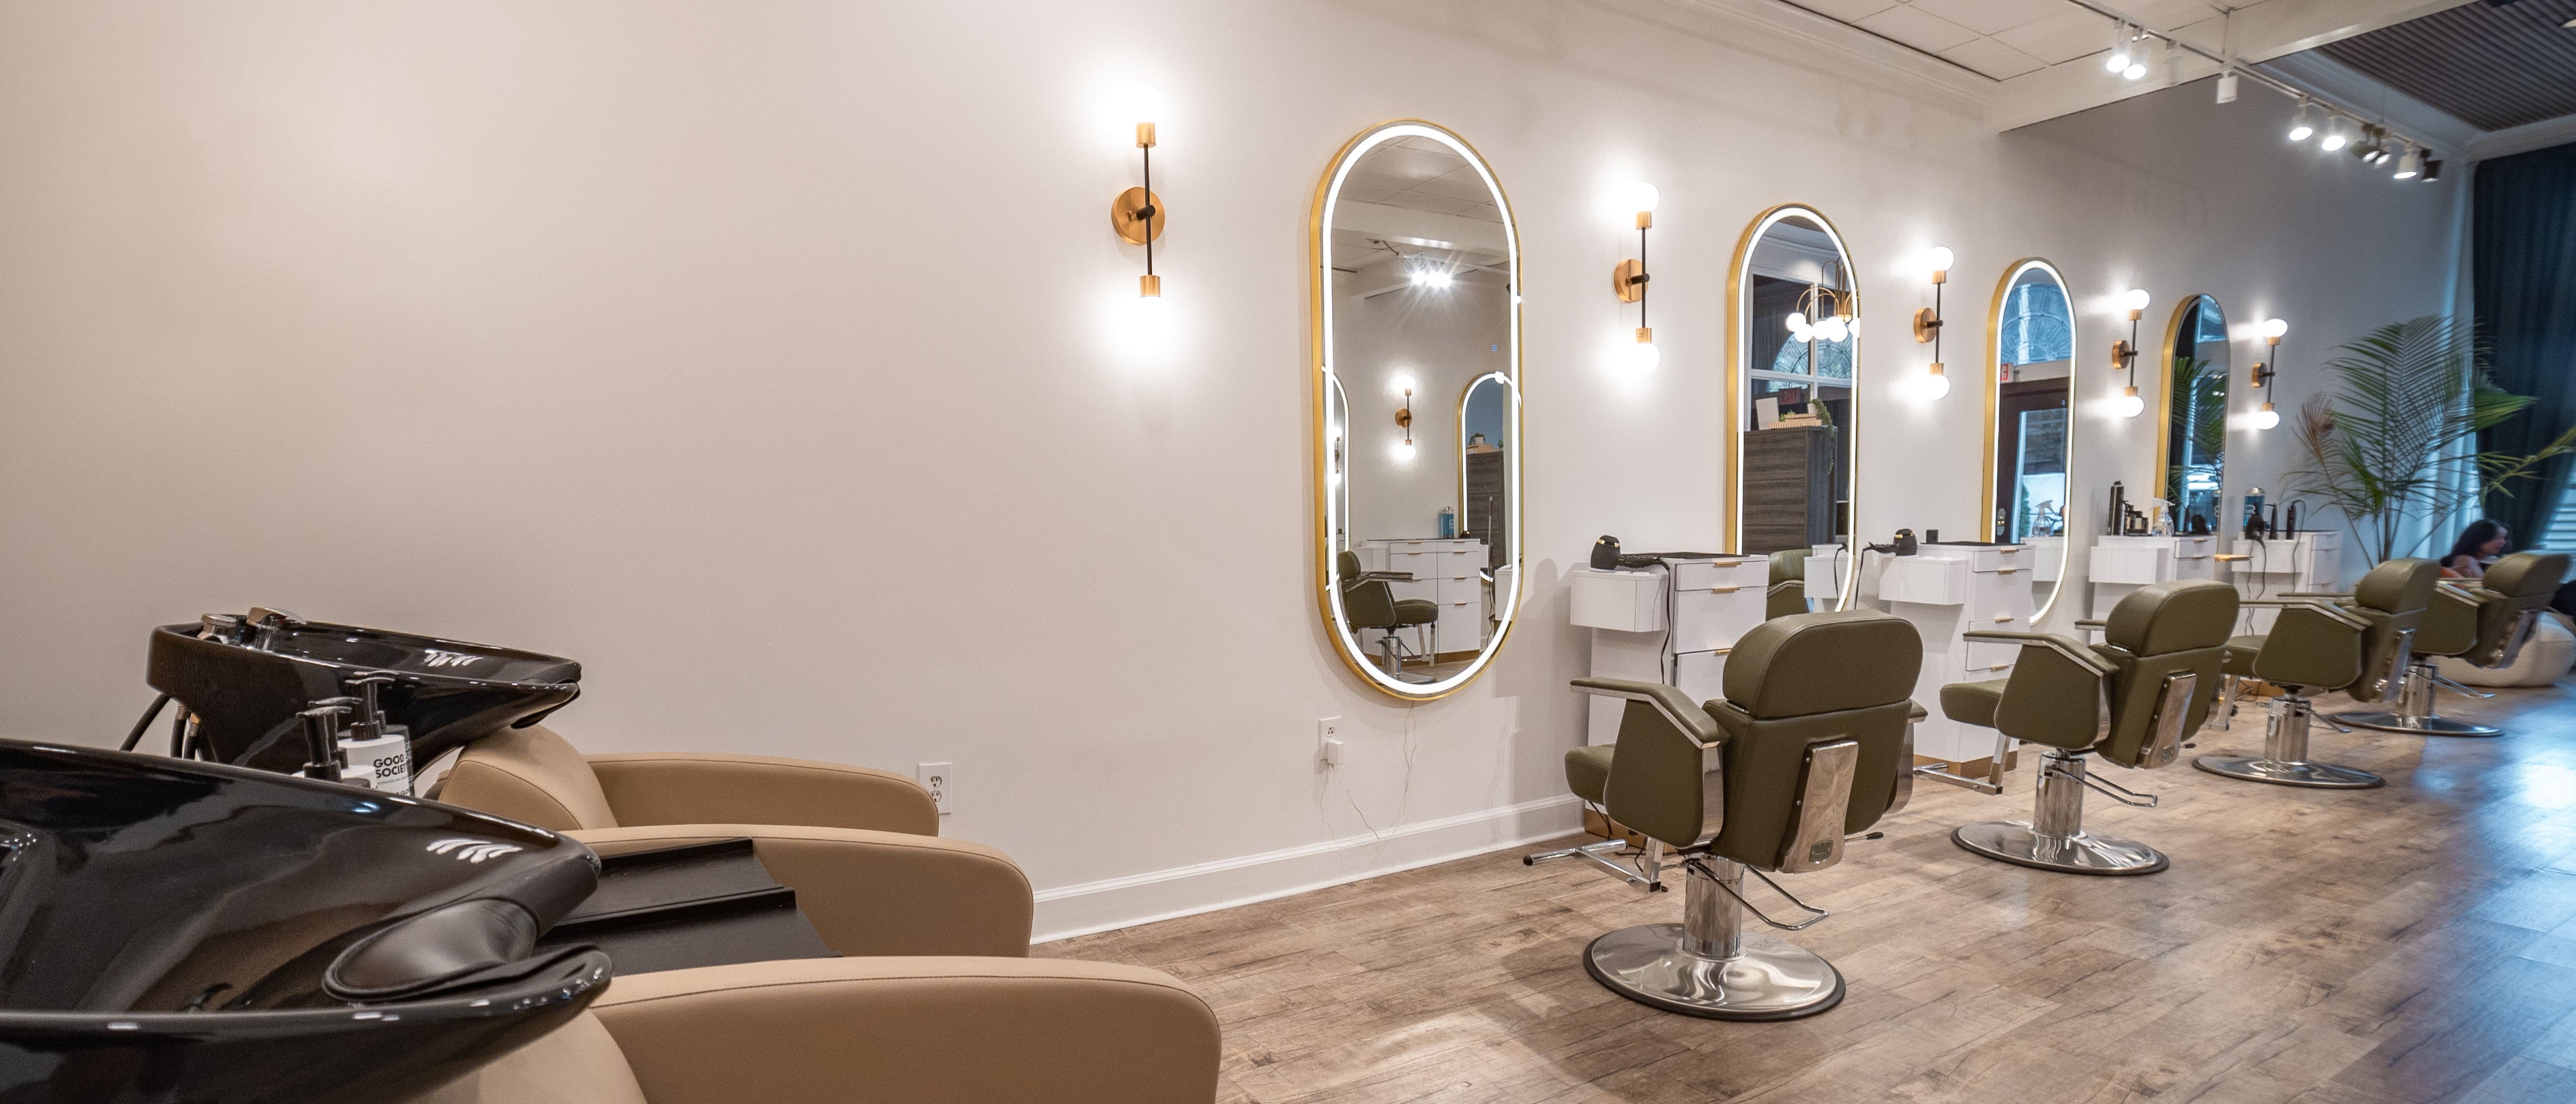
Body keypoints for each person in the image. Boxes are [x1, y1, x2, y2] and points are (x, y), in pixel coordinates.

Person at [2441, 519, 2511, 579]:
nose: (2503, 542)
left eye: (2504, 538)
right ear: (2479, 538)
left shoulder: (2494, 560)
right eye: (2497, 538)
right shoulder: (2466, 560)